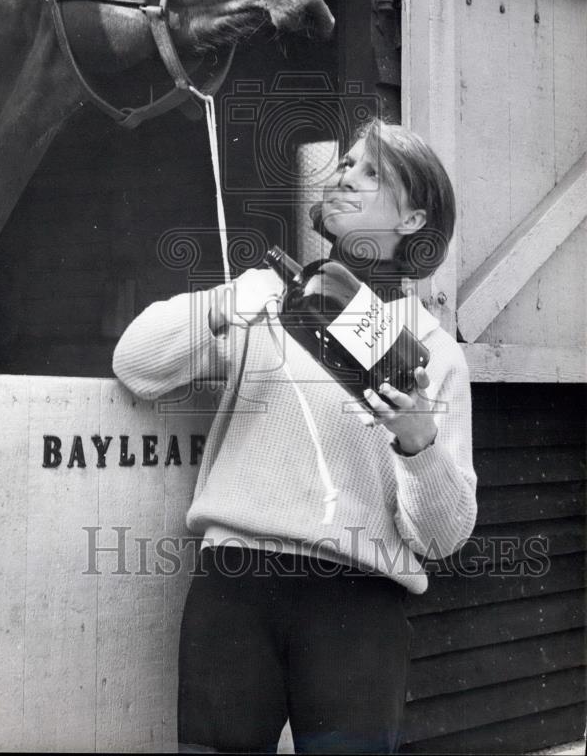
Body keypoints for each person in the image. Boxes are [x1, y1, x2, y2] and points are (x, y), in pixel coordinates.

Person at [112, 118, 477, 755]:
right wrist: (222, 305)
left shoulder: (435, 356)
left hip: (358, 610)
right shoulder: (266, 308)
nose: (342, 176)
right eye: (345, 164)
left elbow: (443, 537)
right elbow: (134, 364)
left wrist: (420, 447)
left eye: (369, 172)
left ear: (414, 221)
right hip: (236, 591)